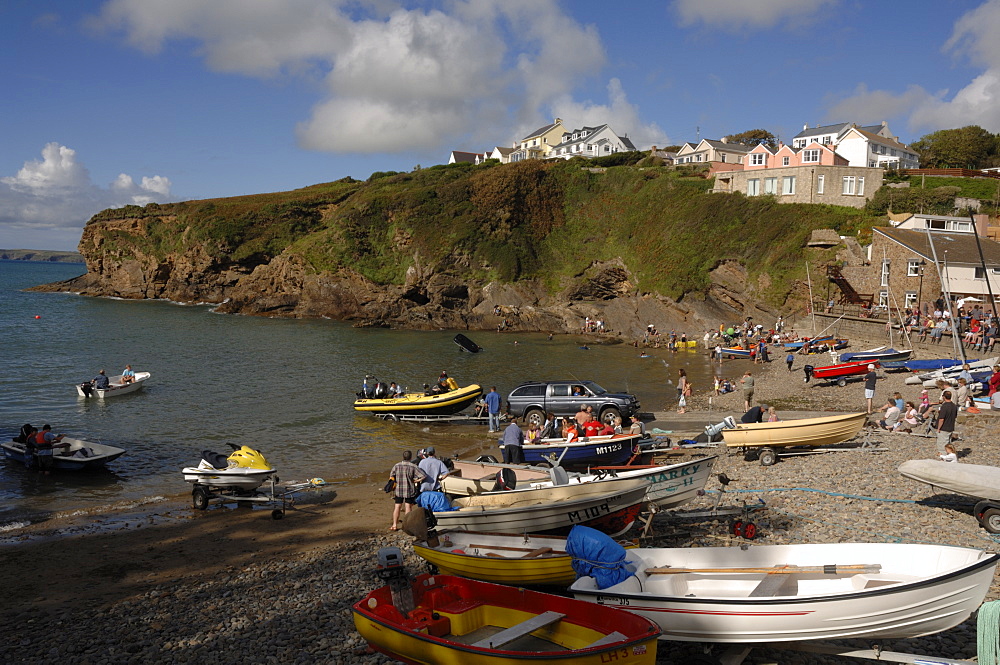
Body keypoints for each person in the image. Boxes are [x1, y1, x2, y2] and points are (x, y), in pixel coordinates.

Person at [388, 451, 426, 531]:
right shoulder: (413, 466)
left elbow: (391, 476)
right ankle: (407, 525)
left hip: (398, 489)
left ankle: (394, 525)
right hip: (409, 489)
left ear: (403, 457)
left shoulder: (397, 465)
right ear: (411, 457)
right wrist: (416, 481)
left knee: (397, 507)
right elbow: (423, 476)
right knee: (408, 507)